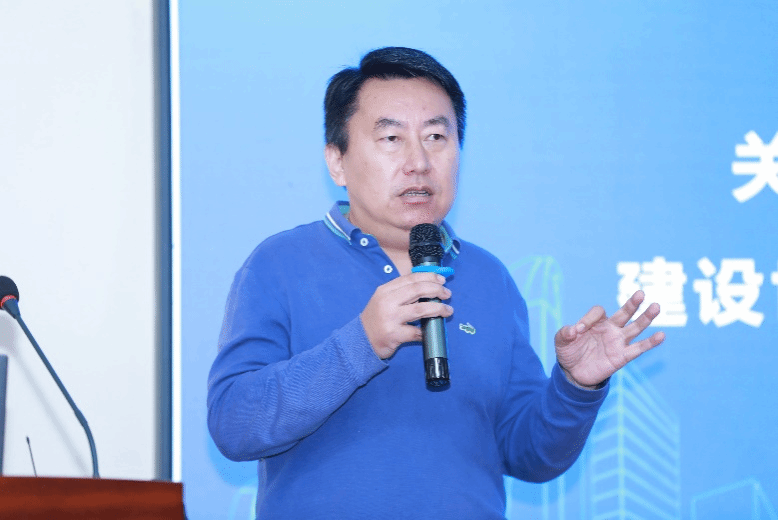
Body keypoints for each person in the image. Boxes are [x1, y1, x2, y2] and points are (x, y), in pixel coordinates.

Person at [207, 46, 664, 519]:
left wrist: (575, 387)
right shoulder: (279, 265)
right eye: (391, 138)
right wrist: (361, 342)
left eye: (436, 137)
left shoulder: (489, 278)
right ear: (337, 161)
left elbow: (530, 455)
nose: (418, 162)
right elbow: (233, 425)